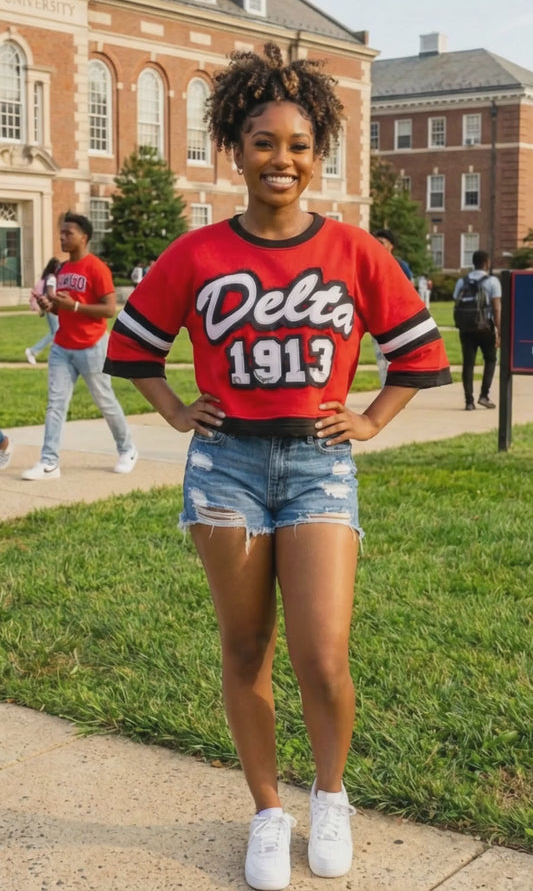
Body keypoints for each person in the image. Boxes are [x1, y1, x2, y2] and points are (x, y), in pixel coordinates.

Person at [104, 43, 451, 891]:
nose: (281, 159)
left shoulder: (354, 251)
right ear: (236, 149)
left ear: (317, 153)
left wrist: (370, 418)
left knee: (322, 655)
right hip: (223, 467)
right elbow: (135, 347)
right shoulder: (196, 254)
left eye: (297, 144)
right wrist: (177, 411)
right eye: (263, 142)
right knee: (246, 646)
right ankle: (266, 810)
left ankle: (330, 797)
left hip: (318, 465)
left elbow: (416, 353)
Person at [21, 212, 138, 481]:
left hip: (92, 346)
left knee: (105, 401)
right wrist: (49, 305)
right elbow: (62, 309)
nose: (62, 237)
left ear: (84, 237)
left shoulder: (97, 268)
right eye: (61, 233)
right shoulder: (62, 269)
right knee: (55, 405)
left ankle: (127, 449)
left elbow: (109, 309)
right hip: (62, 347)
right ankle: (49, 462)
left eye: (68, 233)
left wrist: (73, 305)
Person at [453, 249, 501, 410]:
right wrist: (499, 331)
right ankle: (484, 396)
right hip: (485, 328)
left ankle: (469, 401)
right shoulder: (492, 281)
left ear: (473, 263)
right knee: (491, 359)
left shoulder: (462, 281)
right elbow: (496, 308)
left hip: (466, 328)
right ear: (487, 263)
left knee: (468, 363)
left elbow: (456, 302)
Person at [371, 229, 415, 386]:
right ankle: (386, 389)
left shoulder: (400, 266)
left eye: (381, 242)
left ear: (391, 245)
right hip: (378, 319)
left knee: (399, 359)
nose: (377, 245)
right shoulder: (371, 264)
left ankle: (398, 390)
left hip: (398, 319)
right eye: (375, 242)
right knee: (382, 360)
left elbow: (410, 291)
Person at [25, 257, 62, 365]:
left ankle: (55, 355)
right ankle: (33, 351)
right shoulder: (52, 278)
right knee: (56, 333)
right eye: (58, 267)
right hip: (51, 306)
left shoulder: (47, 277)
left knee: (55, 332)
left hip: (48, 306)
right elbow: (50, 294)